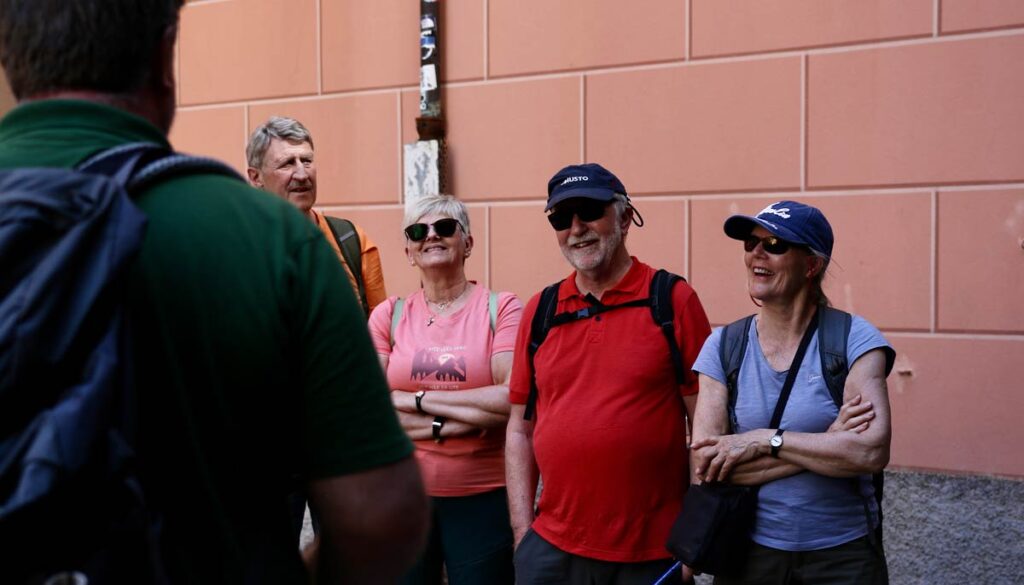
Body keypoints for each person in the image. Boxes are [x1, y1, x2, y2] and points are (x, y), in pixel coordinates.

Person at [0, 1, 428, 583]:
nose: (302, 171)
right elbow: (379, 519)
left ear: (11, 60)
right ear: (163, 60)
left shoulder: (331, 238)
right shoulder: (274, 241)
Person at [506, 163, 711, 585]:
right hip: (552, 552)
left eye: (589, 211)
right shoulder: (541, 310)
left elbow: (708, 426)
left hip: (652, 552)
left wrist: (693, 540)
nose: (576, 228)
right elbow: (519, 430)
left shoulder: (672, 300)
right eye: (562, 218)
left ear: (624, 218)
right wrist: (523, 533)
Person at [689, 200, 895, 584]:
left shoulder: (854, 339)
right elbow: (707, 465)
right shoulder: (722, 346)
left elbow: (870, 452)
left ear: (811, 265)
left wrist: (762, 440)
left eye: (775, 244)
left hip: (842, 558)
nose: (757, 253)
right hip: (748, 554)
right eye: (751, 242)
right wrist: (828, 441)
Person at [367, 194, 523, 585]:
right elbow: (368, 410)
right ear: (408, 251)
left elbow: (510, 399)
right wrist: (461, 419)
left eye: (445, 227)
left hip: (483, 496)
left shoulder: (501, 309)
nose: (431, 236)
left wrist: (414, 400)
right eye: (418, 231)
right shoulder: (389, 315)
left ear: (467, 243)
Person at [246, 115, 387, 315]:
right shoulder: (239, 249)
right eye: (287, 164)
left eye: (306, 161)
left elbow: (379, 328)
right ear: (256, 177)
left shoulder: (351, 240)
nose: (302, 175)